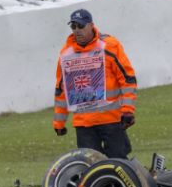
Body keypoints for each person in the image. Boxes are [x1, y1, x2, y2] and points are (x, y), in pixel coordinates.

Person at [53, 9, 137, 158]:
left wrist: (128, 110)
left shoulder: (109, 46)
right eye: (73, 27)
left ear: (91, 25)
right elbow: (61, 90)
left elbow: (127, 79)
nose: (77, 30)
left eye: (81, 26)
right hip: (84, 124)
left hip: (111, 119)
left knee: (119, 162)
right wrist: (59, 123)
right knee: (90, 167)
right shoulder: (66, 54)